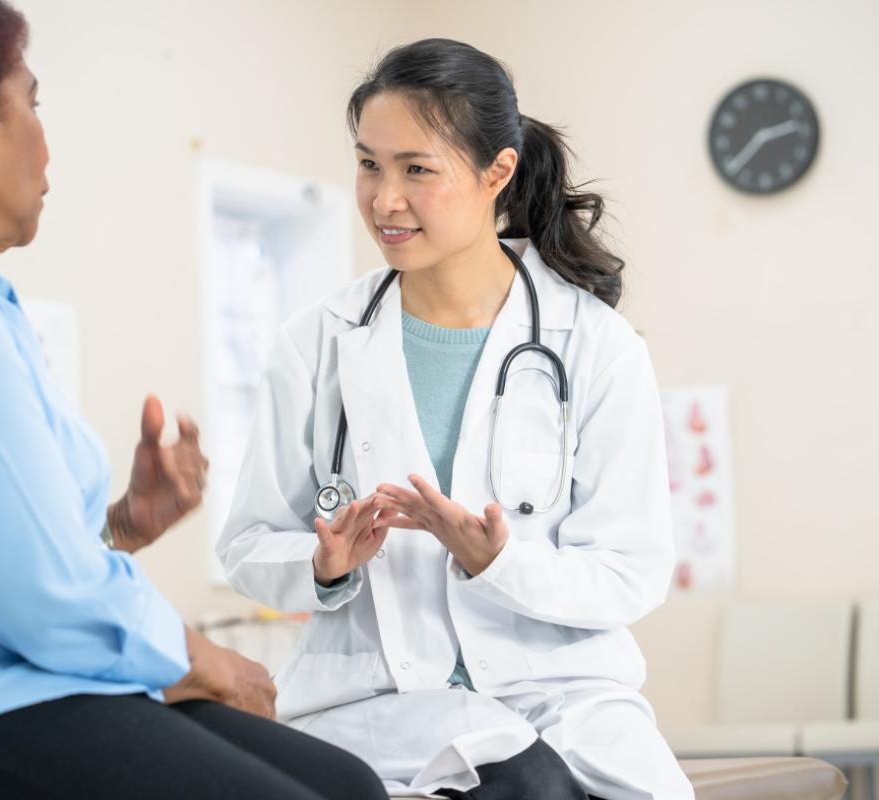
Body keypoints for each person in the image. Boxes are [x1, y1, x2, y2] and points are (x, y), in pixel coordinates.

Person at [0, 2, 388, 798]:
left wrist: (122, 525)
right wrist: (204, 659)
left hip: (23, 678)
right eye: (32, 103)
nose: (45, 140)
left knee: (348, 783)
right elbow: (36, 592)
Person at [219, 38, 694, 799]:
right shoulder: (316, 343)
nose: (384, 200)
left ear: (496, 172)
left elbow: (630, 572)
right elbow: (246, 542)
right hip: (373, 708)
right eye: (369, 164)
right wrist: (324, 566)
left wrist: (498, 564)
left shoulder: (595, 346)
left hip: (559, 703)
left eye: (417, 169)